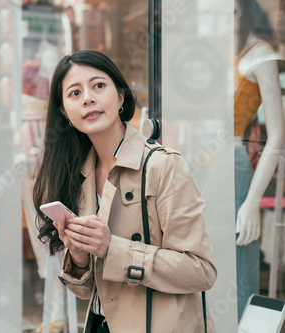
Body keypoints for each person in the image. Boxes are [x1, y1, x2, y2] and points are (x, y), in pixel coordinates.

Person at [32, 50, 217, 332]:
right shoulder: (78, 176)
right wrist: (80, 257)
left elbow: (201, 270)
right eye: (74, 93)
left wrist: (112, 248)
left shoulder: (163, 166)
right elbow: (89, 291)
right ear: (64, 113)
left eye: (98, 86)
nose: (88, 98)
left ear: (120, 97)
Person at [233, 0, 284, 320]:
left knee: (240, 270)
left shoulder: (260, 55)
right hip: (202, 168)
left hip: (233, 168)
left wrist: (252, 201)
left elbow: (278, 135)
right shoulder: (221, 55)